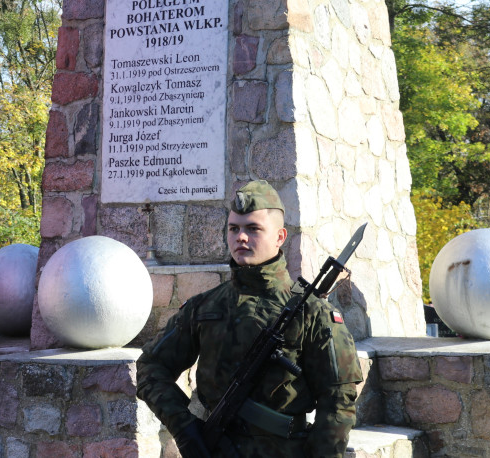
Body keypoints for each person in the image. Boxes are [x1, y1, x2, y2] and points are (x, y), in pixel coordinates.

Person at [136, 180, 362, 458]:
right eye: (234, 229)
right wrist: (185, 429)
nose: (241, 237)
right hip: (216, 449)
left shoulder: (312, 312)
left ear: (280, 237)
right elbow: (151, 367)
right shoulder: (204, 307)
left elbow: (338, 403)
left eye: (253, 229)